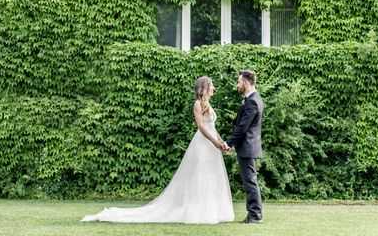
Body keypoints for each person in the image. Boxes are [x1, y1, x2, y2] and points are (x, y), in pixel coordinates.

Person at [81, 76, 234, 224]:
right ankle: (200, 212)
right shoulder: (197, 104)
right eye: (211, 85)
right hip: (202, 145)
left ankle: (212, 210)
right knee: (201, 176)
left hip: (211, 144)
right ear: (205, 87)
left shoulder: (209, 105)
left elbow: (212, 127)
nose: (214, 87)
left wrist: (222, 143)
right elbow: (201, 127)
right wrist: (215, 142)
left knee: (211, 177)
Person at [222, 69, 264, 224]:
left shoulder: (252, 101)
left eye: (239, 81)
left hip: (247, 148)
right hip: (247, 146)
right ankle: (253, 214)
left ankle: (255, 215)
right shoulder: (254, 99)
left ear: (246, 83)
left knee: (250, 181)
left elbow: (242, 127)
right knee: (250, 181)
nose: (237, 84)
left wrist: (229, 143)